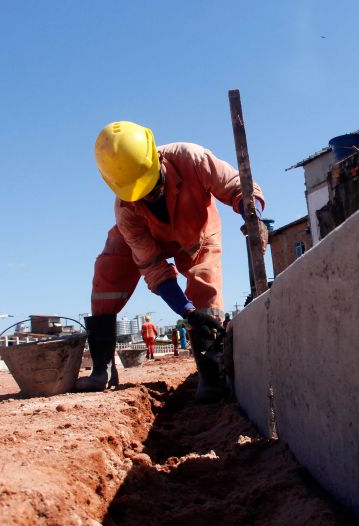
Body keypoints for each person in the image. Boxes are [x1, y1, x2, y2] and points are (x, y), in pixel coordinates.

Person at [77, 120, 268, 401]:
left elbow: (236, 185)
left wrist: (252, 215)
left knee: (205, 281)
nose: (152, 196)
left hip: (196, 231)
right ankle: (102, 368)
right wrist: (188, 312)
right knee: (108, 272)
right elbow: (154, 269)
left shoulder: (191, 158)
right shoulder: (126, 211)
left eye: (153, 186)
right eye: (142, 194)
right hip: (147, 237)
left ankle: (211, 372)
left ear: (156, 156)